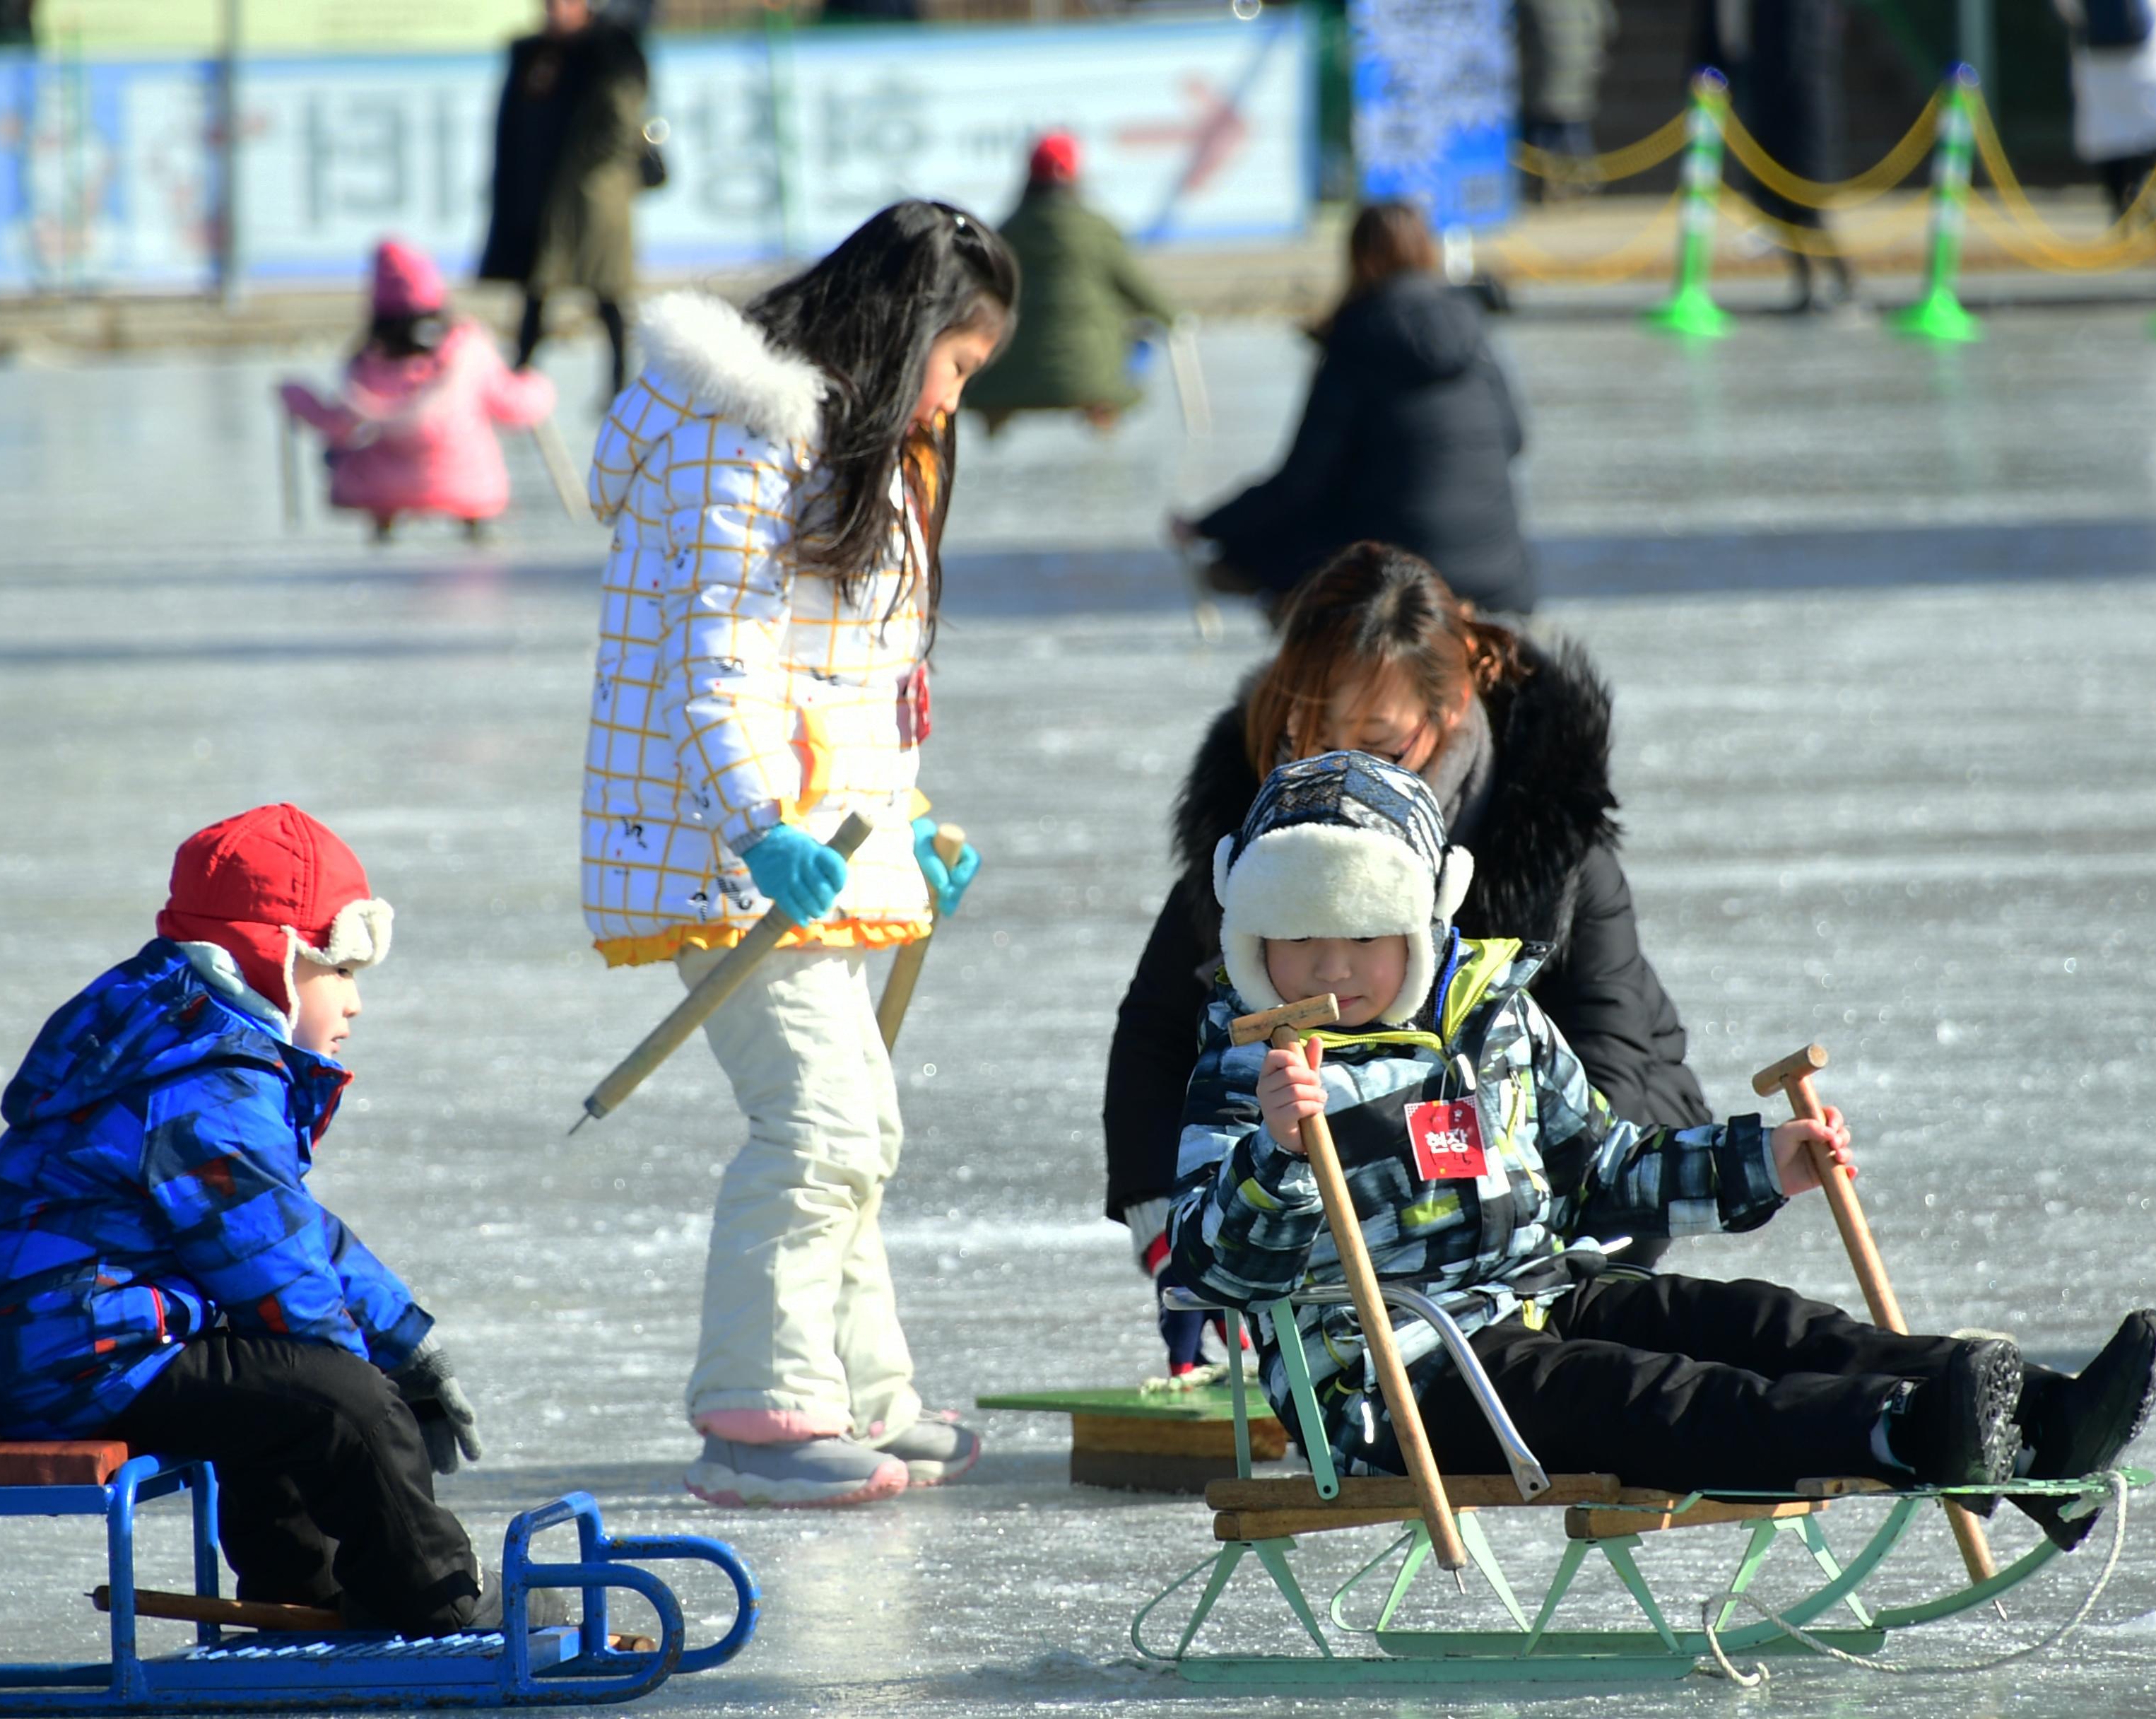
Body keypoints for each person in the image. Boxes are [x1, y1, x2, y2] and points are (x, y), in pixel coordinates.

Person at [1165, 751, 2156, 1543]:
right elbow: (1211, 1271)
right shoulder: (1253, 1068)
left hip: (1550, 1290)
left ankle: (2043, 1420)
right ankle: (1905, 1428)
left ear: (1423, 919)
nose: (1332, 967)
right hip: (1403, 1375)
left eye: (1364, 934)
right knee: (1653, 1400)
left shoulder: (1494, 1023)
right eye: (1299, 936)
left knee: (1767, 1325)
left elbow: (1596, 1172)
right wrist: (1282, 1158)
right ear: (1255, 936)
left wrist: (1756, 1165)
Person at [582, 201, 1011, 1508]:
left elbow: (849, 679)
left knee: (858, 1124)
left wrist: (912, 825)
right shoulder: (742, 432)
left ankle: (858, 1389)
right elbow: (713, 658)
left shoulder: (855, 450)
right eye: (955, 369)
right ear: (905, 334)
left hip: (815, 836)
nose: (951, 405)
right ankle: (756, 1411)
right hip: (717, 845)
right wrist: (759, 824)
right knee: (819, 1121)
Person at [1104, 544, 1704, 1371]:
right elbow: (1159, 1030)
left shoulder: (1551, 842)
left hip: (1565, 1164)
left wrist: (1512, 1247)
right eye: (1305, 738)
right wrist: (1175, 1233)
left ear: (1451, 707)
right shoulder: (1269, 838)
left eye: (1378, 746)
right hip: (1376, 1191)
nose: (1336, 766)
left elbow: (1616, 1055)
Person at [0, 805, 517, 1634]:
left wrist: (404, 1336)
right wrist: (370, 1383)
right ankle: (432, 1598)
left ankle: (298, 1591)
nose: (354, 1001)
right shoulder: (207, 1083)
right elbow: (284, 1277)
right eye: (339, 969)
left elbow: (285, 1228)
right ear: (275, 961)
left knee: (276, 1379)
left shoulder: (182, 1043)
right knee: (338, 1399)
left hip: (46, 1337)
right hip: (66, 1348)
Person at [1173, 203, 1533, 618]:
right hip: (1500, 572)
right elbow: (1516, 440)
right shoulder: (1474, 332)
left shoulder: (1358, 337)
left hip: (1400, 576)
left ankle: (1315, 668)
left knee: (1253, 557)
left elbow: (1302, 480)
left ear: (1359, 259)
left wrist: (1209, 526)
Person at [278, 238, 557, 543]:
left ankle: (384, 525)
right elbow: (513, 405)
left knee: (347, 455)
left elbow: (339, 424)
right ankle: (472, 523)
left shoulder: (369, 359)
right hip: (468, 483)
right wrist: (537, 388)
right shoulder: (468, 349)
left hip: (378, 487)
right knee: (468, 463)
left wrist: (299, 399)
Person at [481, 0, 649, 405]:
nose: (553, 13)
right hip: (547, 194)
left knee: (606, 292)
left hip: (593, 196)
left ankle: (618, 383)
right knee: (537, 290)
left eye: (562, 5)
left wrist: (588, 170)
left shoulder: (611, 53)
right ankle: (518, 379)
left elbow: (621, 121)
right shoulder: (538, 54)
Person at [959, 131, 1179, 435]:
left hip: (1005, 385)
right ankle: (1104, 416)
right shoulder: (1098, 230)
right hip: (1094, 380)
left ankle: (994, 417)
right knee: (1139, 336)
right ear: (1076, 176)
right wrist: (1175, 317)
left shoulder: (1004, 233)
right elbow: (1145, 297)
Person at [1694, 0, 1855, 312]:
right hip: (1760, 99)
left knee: (1807, 207)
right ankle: (1805, 284)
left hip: (1797, 106)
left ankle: (1843, 280)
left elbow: (1812, 45)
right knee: (1773, 204)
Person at [2049, 0, 2156, 219]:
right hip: (2149, 61)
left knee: (2114, 139)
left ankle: (2129, 201)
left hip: (2102, 65)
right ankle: (2138, 199)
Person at [1520, 0, 1618, 197]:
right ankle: (1583, 178)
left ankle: (1557, 181)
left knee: (1546, 129)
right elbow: (1609, 24)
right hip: (1583, 69)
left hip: (1545, 72)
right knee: (1574, 125)